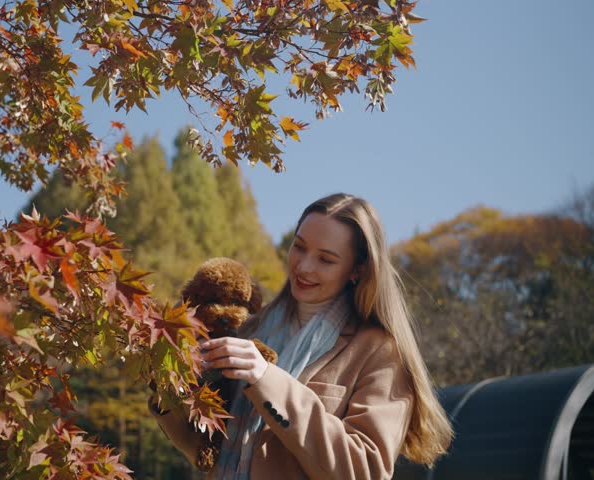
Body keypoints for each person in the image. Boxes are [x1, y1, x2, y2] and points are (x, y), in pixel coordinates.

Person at [149, 193, 453, 480]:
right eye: (299, 246)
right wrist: (170, 392)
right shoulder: (250, 329)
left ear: (357, 270)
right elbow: (207, 449)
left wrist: (267, 380)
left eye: (326, 259)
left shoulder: (379, 352)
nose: (304, 266)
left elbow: (365, 471)